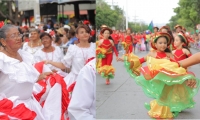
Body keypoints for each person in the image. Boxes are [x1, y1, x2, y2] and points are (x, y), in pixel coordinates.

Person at [118, 32, 199, 119]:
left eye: (165, 43)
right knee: (162, 97)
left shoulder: (169, 55)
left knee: (165, 97)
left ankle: (163, 114)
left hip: (167, 79)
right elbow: (141, 60)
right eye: (160, 43)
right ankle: (160, 113)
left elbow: (176, 65)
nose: (163, 45)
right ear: (155, 44)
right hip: (157, 79)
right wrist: (131, 63)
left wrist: (186, 74)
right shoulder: (152, 54)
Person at [0, 24, 52, 120]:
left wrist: (40, 77)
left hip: (30, 106)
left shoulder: (24, 56)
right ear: (3, 41)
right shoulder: (1, 59)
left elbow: (24, 78)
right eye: (13, 36)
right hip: (10, 110)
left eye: (19, 34)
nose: (18, 38)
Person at [45, 24, 95, 96]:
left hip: (91, 79)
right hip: (76, 79)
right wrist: (50, 62)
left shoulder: (94, 47)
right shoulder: (73, 49)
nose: (85, 34)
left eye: (87, 32)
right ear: (77, 36)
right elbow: (63, 65)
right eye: (82, 32)